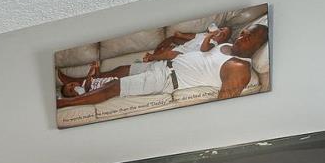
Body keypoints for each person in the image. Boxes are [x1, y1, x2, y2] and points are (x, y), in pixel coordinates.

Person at [56, 19, 267, 109]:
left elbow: (226, 106)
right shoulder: (226, 47)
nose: (241, 38)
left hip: (167, 79)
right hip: (163, 65)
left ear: (259, 45)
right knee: (120, 70)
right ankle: (75, 82)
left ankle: (63, 103)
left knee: (113, 87)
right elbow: (202, 52)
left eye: (248, 38)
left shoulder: (239, 68)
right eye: (243, 34)